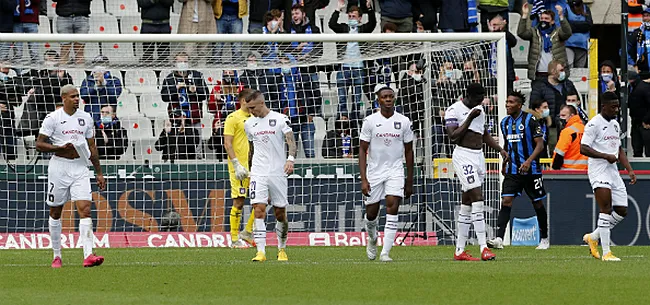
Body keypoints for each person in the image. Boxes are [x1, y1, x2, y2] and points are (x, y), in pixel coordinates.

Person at [35, 84, 106, 268]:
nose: (77, 99)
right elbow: (39, 144)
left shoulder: (86, 118)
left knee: (85, 209)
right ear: (64, 98)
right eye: (73, 96)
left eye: (78, 96)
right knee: (55, 211)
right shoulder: (53, 118)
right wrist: (59, 148)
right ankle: (57, 255)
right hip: (59, 167)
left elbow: (92, 146)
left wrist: (99, 172)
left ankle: (88, 254)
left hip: (80, 167)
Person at [444, 83, 505, 261]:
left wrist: (499, 149)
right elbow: (453, 136)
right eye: (478, 99)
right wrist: (469, 117)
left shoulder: (480, 110)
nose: (481, 102)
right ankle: (483, 247)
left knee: (467, 203)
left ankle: (459, 251)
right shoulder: (453, 110)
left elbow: (483, 133)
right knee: (478, 197)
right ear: (468, 96)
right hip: (463, 156)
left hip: (478, 157)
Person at [487, 91, 549, 250]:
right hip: (513, 170)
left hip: (531, 170)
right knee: (506, 201)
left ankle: (544, 238)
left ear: (519, 105)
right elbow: (508, 145)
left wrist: (529, 161)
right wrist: (504, 163)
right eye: (507, 102)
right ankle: (499, 239)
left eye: (511, 102)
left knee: (537, 203)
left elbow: (540, 145)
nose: (507, 104)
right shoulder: (504, 123)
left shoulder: (531, 119)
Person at [359, 85, 414, 262]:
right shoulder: (370, 121)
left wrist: (410, 180)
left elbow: (409, 151)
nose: (388, 99)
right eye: (384, 97)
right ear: (378, 100)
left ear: (394, 99)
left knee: (393, 206)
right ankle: (372, 237)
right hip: (374, 171)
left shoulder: (404, 121)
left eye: (391, 96)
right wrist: (364, 179)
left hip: (395, 171)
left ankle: (385, 252)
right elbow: (362, 149)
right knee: (371, 214)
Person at [581, 92, 636, 262]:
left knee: (622, 210)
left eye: (617, 106)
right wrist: (605, 156)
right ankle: (606, 253)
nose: (616, 109)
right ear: (603, 106)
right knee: (606, 208)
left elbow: (618, 149)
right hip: (599, 170)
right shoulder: (593, 124)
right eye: (613, 106)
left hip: (613, 170)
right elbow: (583, 148)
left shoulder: (615, 124)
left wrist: (629, 169)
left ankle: (593, 237)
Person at [244, 90, 296, 262]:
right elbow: (251, 149)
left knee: (280, 212)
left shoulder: (280, 119)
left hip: (277, 171)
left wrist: (290, 159)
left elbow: (291, 140)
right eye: (248, 108)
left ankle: (281, 249)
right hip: (259, 172)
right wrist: (251, 171)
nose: (251, 111)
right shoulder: (249, 124)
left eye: (252, 107)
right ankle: (261, 252)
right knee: (258, 209)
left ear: (261, 103)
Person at [223, 89, 256, 248]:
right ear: (243, 101)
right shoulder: (233, 118)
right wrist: (236, 164)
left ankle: (248, 232)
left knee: (264, 198)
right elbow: (227, 143)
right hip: (240, 168)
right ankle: (235, 239)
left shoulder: (256, 117)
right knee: (239, 202)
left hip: (256, 165)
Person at [518, 3, 572, 81]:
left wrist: (561, 16)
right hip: (539, 74)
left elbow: (567, 33)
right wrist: (524, 15)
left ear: (552, 21)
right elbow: (521, 33)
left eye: (546, 19)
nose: (543, 20)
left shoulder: (558, 32)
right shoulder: (534, 32)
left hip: (556, 75)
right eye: (542, 18)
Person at [80, 55, 123, 122]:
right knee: (93, 131)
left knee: (106, 130)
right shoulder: (87, 80)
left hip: (107, 116)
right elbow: (83, 95)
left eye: (102, 64)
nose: (99, 67)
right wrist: (95, 87)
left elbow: (114, 95)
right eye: (97, 64)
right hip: (91, 116)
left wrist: (104, 83)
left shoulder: (114, 80)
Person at [54, 0, 91, 64]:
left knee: (79, 49)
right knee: (64, 48)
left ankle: (80, 72)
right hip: (63, 17)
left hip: (82, 17)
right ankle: (63, 72)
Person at [552, 104, 587, 170]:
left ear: (572, 116)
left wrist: (554, 169)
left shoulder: (567, 132)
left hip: (568, 172)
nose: (561, 118)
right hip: (585, 171)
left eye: (563, 115)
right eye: (560, 115)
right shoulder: (585, 129)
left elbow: (559, 154)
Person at [562, 0, 592, 68]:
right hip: (568, 44)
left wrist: (572, 25)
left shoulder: (585, 8)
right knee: (568, 67)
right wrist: (582, 25)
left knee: (580, 70)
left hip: (582, 45)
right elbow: (565, 26)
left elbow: (589, 25)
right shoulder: (565, 7)